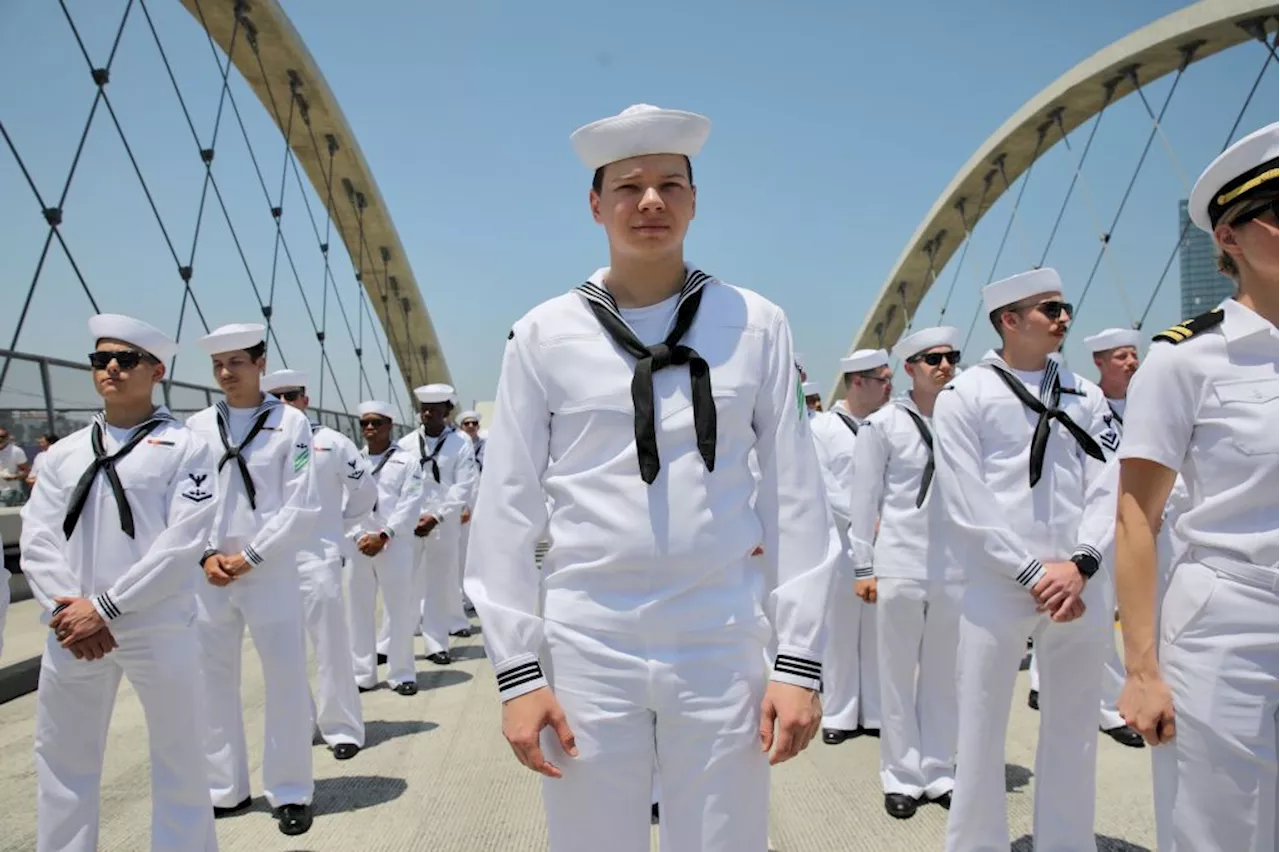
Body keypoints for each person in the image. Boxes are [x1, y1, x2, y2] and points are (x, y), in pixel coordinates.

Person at [464, 103, 838, 852]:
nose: (651, 202)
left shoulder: (755, 323)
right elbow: (506, 507)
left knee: (728, 840)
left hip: (721, 634)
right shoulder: (543, 333)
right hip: (589, 636)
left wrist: (800, 663)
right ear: (595, 205)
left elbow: (796, 496)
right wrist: (516, 671)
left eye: (671, 184)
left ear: (695, 201)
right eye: (629, 186)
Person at [1115, 120, 1280, 851]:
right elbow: (1135, 519)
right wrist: (1142, 670)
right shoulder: (1185, 363)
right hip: (1228, 629)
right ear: (1231, 240)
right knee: (1221, 833)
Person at [934, 267, 1119, 851]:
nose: (1064, 318)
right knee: (981, 728)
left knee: (1074, 727)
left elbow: (1107, 483)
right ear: (1009, 321)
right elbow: (967, 503)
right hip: (1000, 584)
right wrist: (1034, 572)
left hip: (1079, 581)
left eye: (1065, 308)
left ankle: (1066, 842)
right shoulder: (966, 396)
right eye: (1050, 309)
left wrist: (1082, 562)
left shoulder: (1085, 394)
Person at [19, 313, 218, 851]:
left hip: (157, 625)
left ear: (156, 371)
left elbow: (181, 544)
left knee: (179, 758)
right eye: (100, 359)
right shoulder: (63, 453)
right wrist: (68, 610)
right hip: (73, 628)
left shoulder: (189, 447)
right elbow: (36, 540)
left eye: (125, 359)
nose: (110, 367)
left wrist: (103, 607)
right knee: (61, 761)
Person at [187, 323, 319, 836]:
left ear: (261, 363)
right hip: (209, 574)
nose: (226, 373)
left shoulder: (291, 424)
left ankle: (289, 791)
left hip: (269, 570)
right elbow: (182, 502)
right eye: (218, 364)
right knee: (211, 681)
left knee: (284, 679)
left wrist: (251, 557)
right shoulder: (196, 427)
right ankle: (225, 787)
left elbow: (301, 504)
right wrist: (204, 555)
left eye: (237, 362)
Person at [847, 326, 964, 819]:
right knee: (895, 675)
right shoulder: (883, 425)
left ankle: (939, 771)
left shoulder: (966, 419)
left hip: (955, 565)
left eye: (950, 357)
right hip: (899, 561)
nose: (943, 365)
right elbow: (863, 498)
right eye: (931, 358)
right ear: (910, 368)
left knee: (944, 675)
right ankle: (901, 775)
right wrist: (863, 565)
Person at [1025, 328, 1145, 747]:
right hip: (1096, 528)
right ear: (1099, 361)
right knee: (1098, 612)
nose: (1131, 362)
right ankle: (1109, 709)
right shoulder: (1083, 402)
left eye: (1134, 355)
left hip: (1142, 524)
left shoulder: (1147, 404)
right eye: (1121, 357)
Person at [263, 370, 376, 758]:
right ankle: (301, 723)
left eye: (290, 395)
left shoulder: (331, 442)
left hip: (317, 557)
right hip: (270, 563)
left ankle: (342, 728)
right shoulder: (258, 444)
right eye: (275, 397)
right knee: (282, 652)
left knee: (330, 645)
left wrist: (338, 528)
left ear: (305, 399)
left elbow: (365, 491)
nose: (283, 404)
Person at [809, 347, 890, 745]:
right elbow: (823, 484)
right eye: (882, 379)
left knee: (878, 630)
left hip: (885, 540)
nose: (890, 386)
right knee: (840, 631)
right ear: (858, 381)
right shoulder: (821, 428)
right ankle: (840, 712)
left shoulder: (890, 424)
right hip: (840, 543)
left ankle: (874, 711)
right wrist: (861, 517)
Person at [347, 401, 425, 694]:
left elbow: (411, 502)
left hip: (394, 544)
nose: (369, 428)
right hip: (359, 545)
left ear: (389, 425)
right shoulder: (353, 461)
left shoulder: (408, 462)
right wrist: (358, 536)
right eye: (364, 422)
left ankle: (402, 673)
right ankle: (363, 675)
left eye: (376, 422)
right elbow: (345, 502)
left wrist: (384, 534)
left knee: (400, 611)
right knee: (359, 611)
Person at [399, 384, 478, 663]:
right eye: (424, 408)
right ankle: (395, 644)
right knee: (403, 584)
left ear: (447, 411)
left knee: (437, 585)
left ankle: (436, 644)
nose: (428, 413)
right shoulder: (407, 444)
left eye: (434, 408)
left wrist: (437, 516)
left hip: (443, 524)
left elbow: (463, 485)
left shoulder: (460, 443)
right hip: (410, 523)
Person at [456, 410, 484, 613]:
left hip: (484, 505)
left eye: (474, 423)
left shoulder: (488, 446)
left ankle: (476, 594)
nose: (471, 426)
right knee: (460, 556)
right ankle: (462, 597)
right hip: (462, 510)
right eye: (467, 423)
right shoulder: (456, 446)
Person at [0, 426, 30, 506]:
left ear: (8, 437)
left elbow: (25, 471)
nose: (0, 439)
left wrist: (14, 477)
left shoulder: (16, 451)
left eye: (2, 436)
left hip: (9, 491)